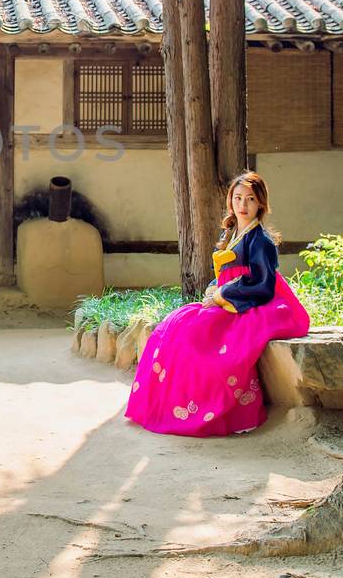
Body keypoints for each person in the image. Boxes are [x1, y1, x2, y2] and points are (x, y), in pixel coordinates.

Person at [124, 171, 310, 437]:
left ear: (260, 204)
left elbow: (263, 285)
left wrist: (222, 295)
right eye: (238, 198)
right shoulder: (233, 233)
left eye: (250, 199)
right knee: (172, 326)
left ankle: (204, 411)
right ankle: (166, 407)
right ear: (230, 202)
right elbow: (228, 273)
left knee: (195, 337)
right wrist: (216, 288)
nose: (243, 206)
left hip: (251, 303)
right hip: (230, 297)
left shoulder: (261, 241)